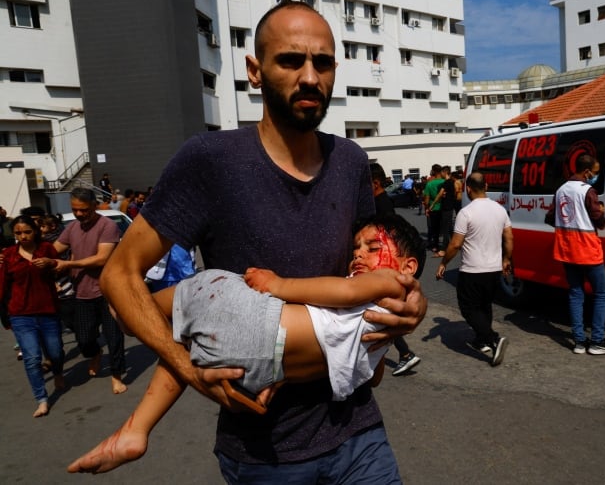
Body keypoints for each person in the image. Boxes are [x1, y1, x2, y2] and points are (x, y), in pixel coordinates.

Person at [96, 0, 426, 483]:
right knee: (200, 298)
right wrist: (189, 370)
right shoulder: (209, 161)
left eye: (323, 62)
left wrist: (410, 308)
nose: (310, 77)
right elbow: (119, 274)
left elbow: (367, 269)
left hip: (357, 432)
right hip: (264, 454)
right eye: (291, 60)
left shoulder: (351, 161)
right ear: (255, 70)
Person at [68, 214, 425, 474]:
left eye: (372, 247)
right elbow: (369, 377)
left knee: (200, 291)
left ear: (408, 266)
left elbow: (345, 290)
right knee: (190, 341)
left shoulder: (389, 282)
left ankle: (131, 319)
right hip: (264, 368)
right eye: (356, 247)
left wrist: (278, 285)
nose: (359, 254)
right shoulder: (385, 320)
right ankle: (136, 427)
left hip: (258, 323)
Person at [544, 154, 605, 355]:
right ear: (587, 171)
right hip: (587, 250)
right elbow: (599, 220)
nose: (595, 176)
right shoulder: (588, 191)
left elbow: (550, 218)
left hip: (566, 250)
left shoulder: (561, 189)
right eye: (595, 172)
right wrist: (602, 212)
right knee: (602, 294)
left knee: (576, 293)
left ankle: (579, 342)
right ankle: (597, 341)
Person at [53, 188, 128, 393]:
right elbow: (54, 249)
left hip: (107, 292)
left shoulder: (108, 226)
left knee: (114, 336)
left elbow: (101, 258)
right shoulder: (72, 228)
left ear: (94, 206)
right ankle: (95, 354)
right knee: (84, 339)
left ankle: (116, 375)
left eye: (83, 210)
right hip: (82, 292)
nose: (78, 214)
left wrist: (67, 265)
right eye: (74, 210)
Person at [436, 172, 512, 366]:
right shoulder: (500, 210)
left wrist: (444, 263)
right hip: (494, 269)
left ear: (468, 188)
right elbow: (509, 238)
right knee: (484, 305)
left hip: (472, 270)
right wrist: (506, 259)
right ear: (486, 186)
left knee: (468, 307)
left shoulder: (466, 212)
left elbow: (455, 244)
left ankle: (493, 339)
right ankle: (481, 340)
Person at [0, 215, 66, 417]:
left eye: (27, 231)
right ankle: (42, 399)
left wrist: (50, 264)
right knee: (32, 357)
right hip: (21, 314)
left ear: (35, 231)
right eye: (18, 233)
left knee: (55, 352)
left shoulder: (46, 249)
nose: (23, 236)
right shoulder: (9, 255)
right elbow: (2, 287)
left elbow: (60, 270)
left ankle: (57, 372)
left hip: (48, 310)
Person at [369, 163, 421, 376]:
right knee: (381, 313)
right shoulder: (379, 203)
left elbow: (388, 242)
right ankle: (403, 354)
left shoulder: (382, 207)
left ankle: (405, 354)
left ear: (375, 183)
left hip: (385, 268)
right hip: (385, 268)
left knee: (381, 313)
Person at [429, 165, 456, 257]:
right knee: (449, 227)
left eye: (441, 173)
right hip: (450, 206)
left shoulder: (447, 182)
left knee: (445, 229)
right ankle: (454, 244)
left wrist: (432, 204)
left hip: (446, 208)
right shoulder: (451, 182)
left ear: (445, 172)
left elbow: (440, 194)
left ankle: (444, 249)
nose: (441, 174)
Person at [423, 164, 445, 254]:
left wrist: (426, 208)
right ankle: (445, 245)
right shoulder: (445, 182)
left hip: (433, 208)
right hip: (444, 208)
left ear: (434, 171)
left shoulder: (429, 184)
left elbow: (427, 200)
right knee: (445, 227)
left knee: (434, 228)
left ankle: (435, 246)